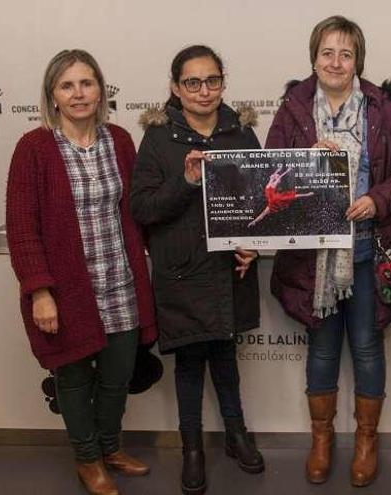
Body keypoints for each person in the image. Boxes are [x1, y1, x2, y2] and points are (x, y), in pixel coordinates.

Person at [265, 15, 391, 487]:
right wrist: (302, 164)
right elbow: (271, 174)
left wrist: (376, 199)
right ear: (313, 58)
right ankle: (321, 441)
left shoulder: (386, 109)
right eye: (327, 53)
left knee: (367, 348)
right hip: (312, 259)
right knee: (321, 349)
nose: (336, 62)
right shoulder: (293, 109)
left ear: (359, 60)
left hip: (369, 253)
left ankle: (365, 442)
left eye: (346, 53)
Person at [6, 49, 156, 495]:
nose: (78, 93)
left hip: (121, 285)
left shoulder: (121, 140)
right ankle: (88, 459)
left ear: (100, 89)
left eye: (86, 83)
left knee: (117, 377)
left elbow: (140, 212)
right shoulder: (34, 148)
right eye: (67, 85)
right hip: (68, 291)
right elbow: (22, 228)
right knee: (72, 380)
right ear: (52, 95)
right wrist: (40, 292)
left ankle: (111, 447)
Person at [130, 45, 264, 495]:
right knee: (189, 364)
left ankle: (237, 435)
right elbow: (143, 208)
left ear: (224, 82)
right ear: (175, 87)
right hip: (182, 272)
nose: (204, 91)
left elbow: (263, 203)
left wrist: (254, 247)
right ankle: (192, 448)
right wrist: (186, 182)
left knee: (226, 360)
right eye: (193, 82)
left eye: (213, 81)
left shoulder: (242, 132)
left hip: (230, 271)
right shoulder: (158, 137)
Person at [247, 166, 315, 227]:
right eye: (277, 177)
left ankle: (253, 222)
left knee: (264, 213)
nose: (278, 178)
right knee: (292, 196)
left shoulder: (270, 184)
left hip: (271, 198)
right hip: (274, 198)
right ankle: (253, 222)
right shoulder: (272, 185)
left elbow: (277, 176)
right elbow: (279, 176)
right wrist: (286, 171)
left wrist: (280, 171)